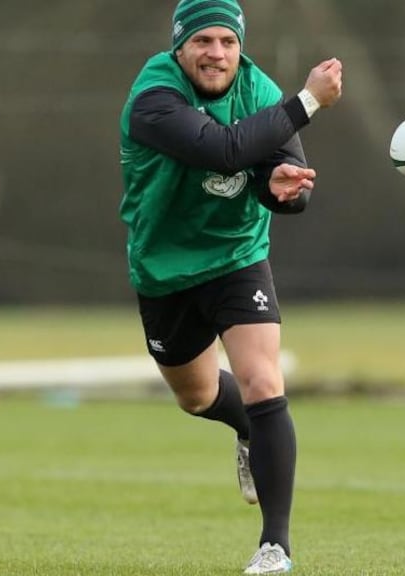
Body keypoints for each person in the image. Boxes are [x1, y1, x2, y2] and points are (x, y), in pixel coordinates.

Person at [117, 0, 342, 573]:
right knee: (194, 396)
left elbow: (288, 185)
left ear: (240, 47)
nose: (216, 53)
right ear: (180, 47)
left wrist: (282, 187)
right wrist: (310, 99)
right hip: (165, 267)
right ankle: (245, 427)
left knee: (264, 379)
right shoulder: (153, 97)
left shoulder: (262, 91)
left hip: (238, 255)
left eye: (227, 42)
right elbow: (222, 149)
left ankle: (275, 547)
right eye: (203, 42)